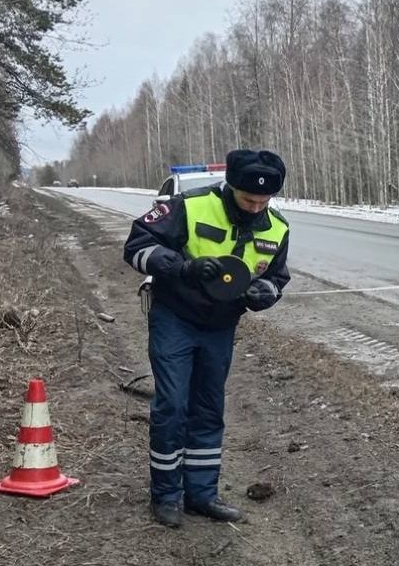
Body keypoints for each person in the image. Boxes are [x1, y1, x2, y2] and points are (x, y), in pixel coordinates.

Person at [123, 150, 291, 527]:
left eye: (263, 201)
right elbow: (135, 248)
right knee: (172, 405)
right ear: (231, 186)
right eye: (248, 199)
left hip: (220, 326)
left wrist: (264, 293)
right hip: (174, 317)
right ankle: (166, 495)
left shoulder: (277, 228)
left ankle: (201, 494)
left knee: (208, 409)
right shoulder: (189, 207)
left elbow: (276, 279)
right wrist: (183, 267)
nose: (255, 207)